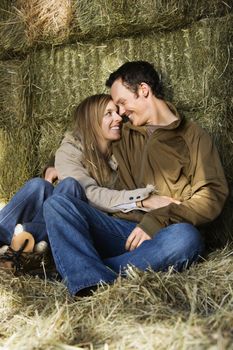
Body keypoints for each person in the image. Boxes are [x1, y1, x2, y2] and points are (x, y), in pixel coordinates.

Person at [42, 61, 228, 296]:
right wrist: (55, 164)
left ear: (143, 90)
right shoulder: (124, 133)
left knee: (186, 239)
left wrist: (158, 220)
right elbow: (84, 138)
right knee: (58, 204)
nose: (119, 113)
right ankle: (90, 270)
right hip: (119, 229)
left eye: (121, 103)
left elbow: (212, 195)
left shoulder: (193, 137)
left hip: (164, 233)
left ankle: (92, 273)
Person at [0, 93, 157, 273]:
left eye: (118, 113)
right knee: (42, 186)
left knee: (67, 186)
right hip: (74, 211)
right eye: (109, 113)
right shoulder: (71, 148)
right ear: (91, 121)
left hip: (90, 221)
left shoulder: (125, 147)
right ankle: (24, 243)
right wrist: (141, 199)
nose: (119, 118)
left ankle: (24, 239)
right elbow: (88, 191)